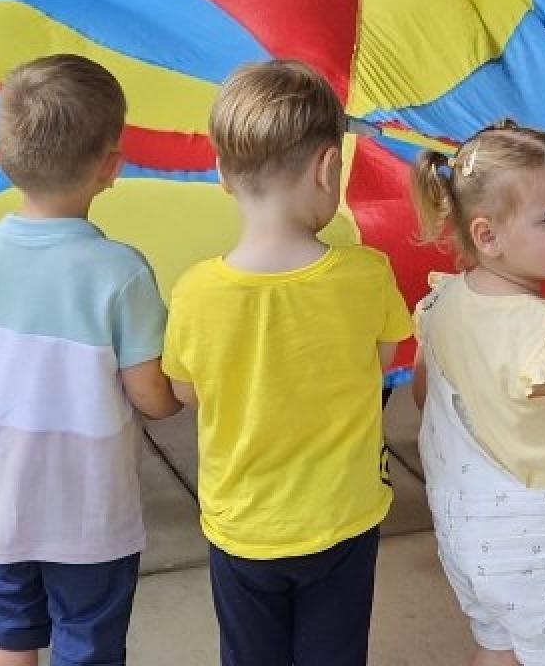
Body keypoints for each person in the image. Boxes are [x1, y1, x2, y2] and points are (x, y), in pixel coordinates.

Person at [162, 60, 411, 666]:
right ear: (329, 167)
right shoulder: (367, 274)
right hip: (342, 518)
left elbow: (185, 391)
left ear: (223, 174)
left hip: (242, 525)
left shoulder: (195, 291)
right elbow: (382, 362)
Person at [0, 54, 181, 666]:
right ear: (111, 169)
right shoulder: (122, 274)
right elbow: (153, 399)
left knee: (5, 625)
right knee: (87, 639)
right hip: (89, 514)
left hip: (2, 498)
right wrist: (190, 381)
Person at [409, 121, 545, 666]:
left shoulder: (440, 305)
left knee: (498, 646)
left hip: (465, 533)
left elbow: (421, 394)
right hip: (538, 541)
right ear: (487, 236)